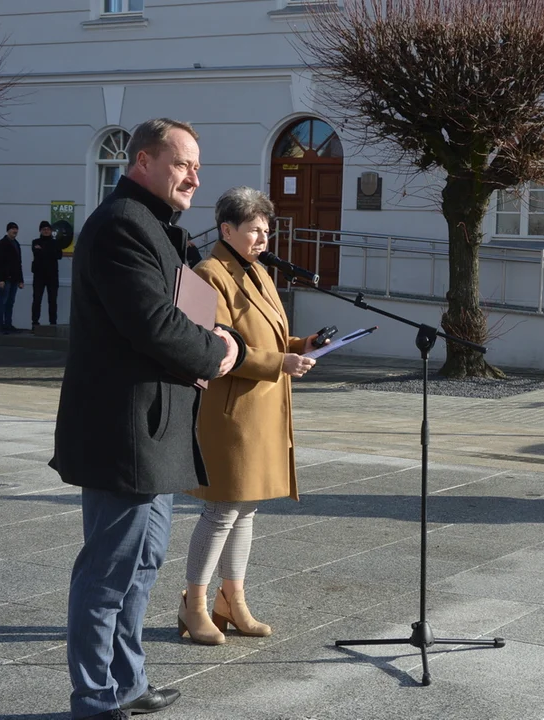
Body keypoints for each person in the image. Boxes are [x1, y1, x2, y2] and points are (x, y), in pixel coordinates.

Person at [50, 118, 245, 720]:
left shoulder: (157, 227)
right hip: (125, 431)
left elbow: (188, 311)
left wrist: (221, 337)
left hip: (156, 429)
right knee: (109, 572)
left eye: (197, 166)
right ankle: (95, 697)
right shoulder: (121, 226)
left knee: (143, 565)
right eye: (183, 163)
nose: (196, 176)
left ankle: (127, 682)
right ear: (142, 161)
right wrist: (220, 351)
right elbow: (155, 326)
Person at [178, 186, 322, 645]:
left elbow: (265, 335)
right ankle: (193, 604)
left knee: (247, 511)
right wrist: (280, 363)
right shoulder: (206, 274)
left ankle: (232, 600)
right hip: (229, 412)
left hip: (261, 410)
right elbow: (211, 347)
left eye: (266, 229)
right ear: (226, 229)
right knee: (221, 510)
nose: (263, 238)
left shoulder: (257, 271)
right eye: (254, 230)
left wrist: (301, 346)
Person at [0, 221, 24, 333]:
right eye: (12, 229)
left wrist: (21, 280)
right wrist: (0, 279)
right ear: (8, 230)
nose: (15, 231)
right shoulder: (2, 244)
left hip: (14, 279)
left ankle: (8, 324)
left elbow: (18, 263)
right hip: (6, 279)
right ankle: (0, 325)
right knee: (3, 301)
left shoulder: (16, 244)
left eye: (16, 229)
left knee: (10, 302)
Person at [31, 220, 63, 326]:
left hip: (52, 276)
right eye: (44, 229)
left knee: (53, 300)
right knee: (37, 300)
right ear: (40, 231)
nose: (46, 231)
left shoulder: (56, 242)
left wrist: (43, 250)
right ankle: (35, 322)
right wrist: (50, 251)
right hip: (39, 275)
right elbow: (37, 253)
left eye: (48, 229)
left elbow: (59, 255)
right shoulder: (35, 242)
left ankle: (53, 322)